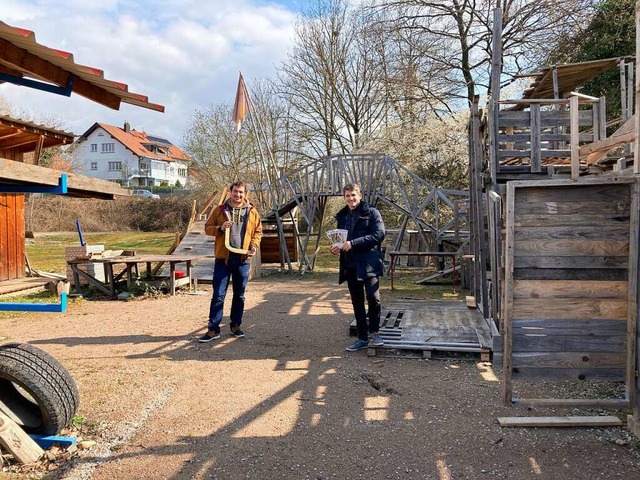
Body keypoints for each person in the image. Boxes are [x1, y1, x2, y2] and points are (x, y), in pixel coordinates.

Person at [199, 181, 262, 342]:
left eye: (241, 192)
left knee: (239, 296)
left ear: (245, 194)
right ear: (230, 192)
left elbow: (258, 231)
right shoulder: (220, 210)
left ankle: (235, 326)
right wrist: (220, 228)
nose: (238, 195)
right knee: (218, 295)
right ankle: (213, 330)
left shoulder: (252, 212)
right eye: (235, 192)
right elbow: (207, 228)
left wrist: (254, 245)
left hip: (242, 260)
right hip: (223, 260)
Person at [330, 183, 385, 351]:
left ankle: (374, 333)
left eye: (353, 195)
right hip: (350, 263)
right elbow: (340, 240)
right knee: (357, 301)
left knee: (373, 298)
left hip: (368, 262)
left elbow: (379, 234)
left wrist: (353, 243)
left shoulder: (372, 213)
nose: (351, 198)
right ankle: (362, 337)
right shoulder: (342, 216)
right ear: (344, 198)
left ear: (360, 195)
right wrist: (336, 247)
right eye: (347, 196)